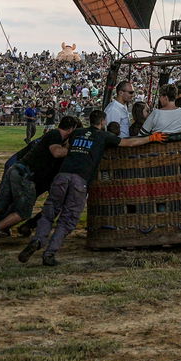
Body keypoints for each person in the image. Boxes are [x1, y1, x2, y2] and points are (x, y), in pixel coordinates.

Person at [19, 110, 164, 266]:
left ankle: (38, 240)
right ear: (102, 122)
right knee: (68, 218)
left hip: (62, 176)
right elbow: (128, 143)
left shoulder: (77, 133)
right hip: (80, 179)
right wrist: (151, 138)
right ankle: (50, 253)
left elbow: (67, 146)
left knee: (49, 212)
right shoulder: (103, 136)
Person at [0, 115, 78, 253]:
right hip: (24, 174)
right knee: (23, 212)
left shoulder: (52, 135)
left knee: (0, 203)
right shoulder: (55, 135)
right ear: (71, 129)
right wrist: (74, 150)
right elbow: (57, 153)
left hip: (17, 169)